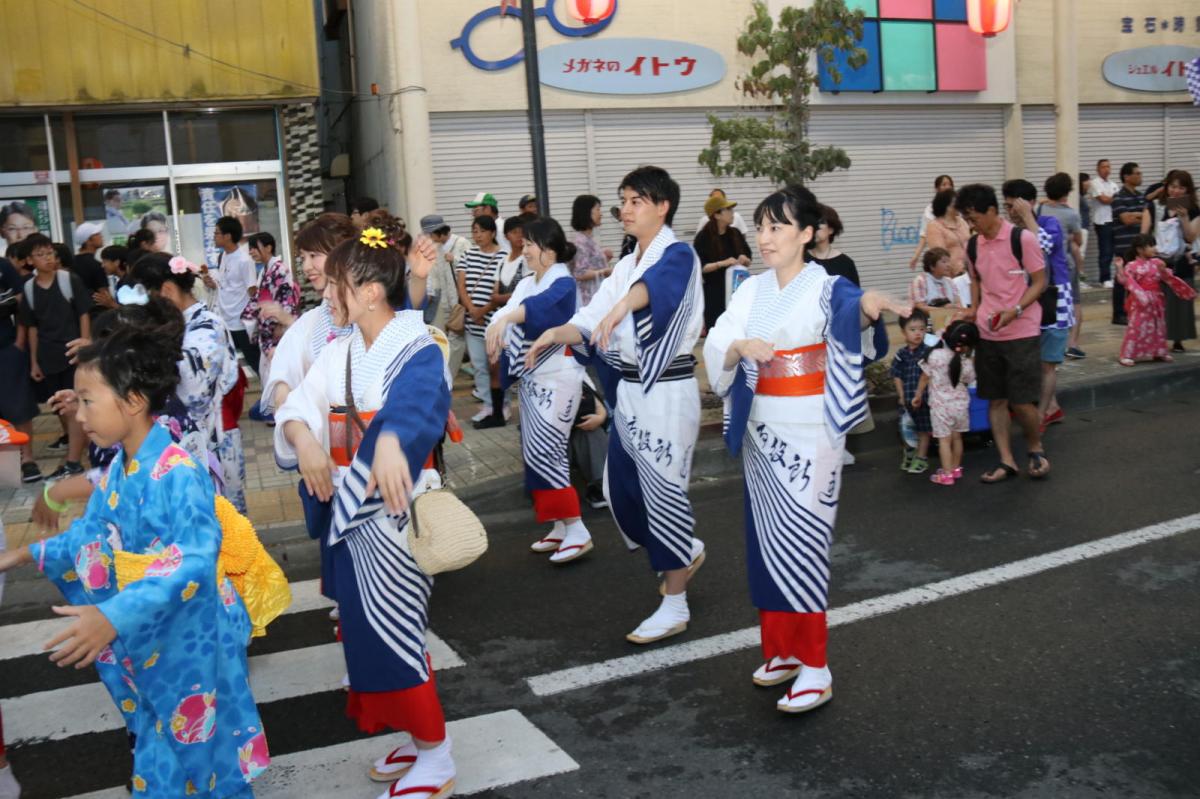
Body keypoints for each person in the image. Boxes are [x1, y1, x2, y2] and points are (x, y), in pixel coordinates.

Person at [0, 323, 269, 798]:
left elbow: (191, 560)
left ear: (133, 401)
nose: (78, 416)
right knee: (176, 757)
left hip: (190, 641)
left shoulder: (177, 472)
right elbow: (92, 539)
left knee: (195, 759)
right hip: (157, 634)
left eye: (88, 400)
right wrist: (24, 553)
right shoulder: (123, 468)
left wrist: (113, 614)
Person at [275, 217, 455, 799]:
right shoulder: (343, 351)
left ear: (372, 290)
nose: (328, 295)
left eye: (336, 285)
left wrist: (392, 445)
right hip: (353, 511)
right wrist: (304, 442)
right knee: (364, 631)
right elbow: (297, 408)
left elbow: (415, 405)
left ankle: (437, 754)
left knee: (395, 631)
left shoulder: (417, 345)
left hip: (395, 511)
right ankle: (413, 731)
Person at [703, 185, 897, 714]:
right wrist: (740, 346)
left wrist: (869, 307)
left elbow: (851, 310)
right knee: (765, 539)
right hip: (761, 429)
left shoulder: (825, 285)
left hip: (810, 430)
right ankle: (782, 650)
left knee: (803, 542)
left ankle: (816, 665)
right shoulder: (749, 289)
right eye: (761, 228)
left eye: (778, 228)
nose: (765, 239)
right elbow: (719, 339)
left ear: (808, 234)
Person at [526, 166, 706, 645]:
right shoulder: (626, 265)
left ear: (662, 206)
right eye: (622, 200)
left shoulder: (678, 254)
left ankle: (674, 603)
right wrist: (551, 333)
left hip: (667, 390)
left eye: (635, 200)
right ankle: (682, 549)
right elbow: (588, 321)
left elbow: (659, 289)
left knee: (663, 492)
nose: (625, 209)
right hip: (630, 392)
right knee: (623, 490)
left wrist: (626, 305)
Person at [486, 216, 594, 563]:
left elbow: (540, 308)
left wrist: (505, 320)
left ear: (548, 249)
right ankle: (561, 523)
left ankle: (577, 527)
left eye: (530, 244)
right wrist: (497, 324)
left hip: (559, 376)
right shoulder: (530, 280)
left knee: (548, 450)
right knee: (537, 452)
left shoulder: (562, 281)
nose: (525, 250)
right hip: (534, 378)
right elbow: (507, 310)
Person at [132, 253, 245, 510]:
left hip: (210, 444)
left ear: (167, 290)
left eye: (143, 297)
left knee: (221, 529)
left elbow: (193, 389)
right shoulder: (182, 325)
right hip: (187, 447)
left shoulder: (207, 325)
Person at [955, 184, 1049, 482]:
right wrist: (973, 309)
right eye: (967, 220)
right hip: (988, 332)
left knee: (1021, 401)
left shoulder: (1022, 240)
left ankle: (1035, 448)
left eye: (974, 218)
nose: (971, 225)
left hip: (1022, 330)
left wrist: (1016, 310)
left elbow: (1040, 282)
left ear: (992, 211)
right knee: (995, 399)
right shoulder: (972, 245)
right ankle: (1007, 461)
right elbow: (975, 280)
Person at [262, 213, 360, 415]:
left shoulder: (370, 314)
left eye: (314, 255)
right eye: (302, 258)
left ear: (342, 252)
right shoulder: (313, 320)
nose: (306, 267)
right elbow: (283, 382)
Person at [1003, 179, 1073, 434]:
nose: (1010, 211)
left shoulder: (1048, 222)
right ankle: (1049, 406)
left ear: (1029, 203)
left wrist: (1028, 217)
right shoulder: (1009, 229)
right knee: (1026, 358)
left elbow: (1042, 245)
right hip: (1026, 300)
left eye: (1014, 205)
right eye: (1007, 206)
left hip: (1055, 298)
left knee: (1048, 363)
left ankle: (1041, 416)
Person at [19, 234, 91, 480]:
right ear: (29, 260)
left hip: (72, 352)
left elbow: (83, 314)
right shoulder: (28, 289)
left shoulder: (69, 280)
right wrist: (34, 361)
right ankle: (76, 451)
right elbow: (32, 327)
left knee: (73, 407)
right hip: (47, 355)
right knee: (60, 407)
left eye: (50, 253)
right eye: (41, 254)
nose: (48, 258)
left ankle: (73, 461)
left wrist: (84, 346)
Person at [1115, 235, 1197, 366]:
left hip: (1156, 299)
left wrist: (1164, 270)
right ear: (1140, 249)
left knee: (1159, 326)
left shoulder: (1157, 263)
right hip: (1140, 300)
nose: (1154, 248)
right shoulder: (1131, 265)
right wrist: (1119, 268)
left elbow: (1167, 277)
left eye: (1154, 245)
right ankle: (1127, 354)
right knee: (1136, 326)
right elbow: (1126, 281)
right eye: (1151, 245)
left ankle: (1159, 351)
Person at [1141, 170, 1199, 352]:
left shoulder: (1194, 209)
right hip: (1157, 261)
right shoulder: (1155, 206)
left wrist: (1183, 218)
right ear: (1167, 187)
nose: (1176, 191)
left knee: (1179, 301)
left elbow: (1191, 237)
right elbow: (1144, 233)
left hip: (1181, 261)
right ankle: (1154, 339)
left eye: (1181, 187)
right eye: (1173, 186)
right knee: (1155, 301)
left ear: (1187, 190)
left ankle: (1178, 339)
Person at [456, 216, 506, 423]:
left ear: (492, 233)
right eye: (474, 231)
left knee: (497, 366)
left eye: (482, 231)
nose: (477, 236)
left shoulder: (504, 256)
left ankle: (501, 405)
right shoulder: (468, 254)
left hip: (494, 322)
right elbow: (462, 286)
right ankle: (488, 405)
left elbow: (503, 290)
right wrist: (472, 310)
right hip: (472, 322)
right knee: (479, 366)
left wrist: (483, 310)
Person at [918, 320, 979, 485]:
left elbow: (925, 376)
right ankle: (955, 468)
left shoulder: (935, 356)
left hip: (940, 406)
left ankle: (946, 475)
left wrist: (918, 395)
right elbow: (969, 379)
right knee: (957, 438)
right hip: (960, 405)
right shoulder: (966, 362)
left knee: (944, 441)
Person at [201, 216, 260, 376]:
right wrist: (211, 284)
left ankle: (271, 394)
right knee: (226, 362)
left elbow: (252, 291)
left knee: (254, 360)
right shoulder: (223, 256)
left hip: (241, 322)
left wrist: (255, 320)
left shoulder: (244, 260)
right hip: (225, 320)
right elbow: (226, 284)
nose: (214, 236)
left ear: (228, 236)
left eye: (217, 233)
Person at [0, 252, 40, 484]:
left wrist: (19, 342)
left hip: (6, 348)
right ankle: (7, 467)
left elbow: (21, 303)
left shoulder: (4, 266)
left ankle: (27, 459)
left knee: (18, 406)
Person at [241, 231, 301, 383]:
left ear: (268, 248)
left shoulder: (279, 269)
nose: (251, 251)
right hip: (268, 327)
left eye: (255, 247)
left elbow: (287, 300)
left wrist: (282, 324)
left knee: (279, 376)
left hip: (278, 329)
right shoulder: (265, 270)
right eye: (250, 248)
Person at [423, 215, 472, 378]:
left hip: (464, 301)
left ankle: (446, 377)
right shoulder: (436, 248)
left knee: (456, 340)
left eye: (431, 235)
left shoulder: (462, 243)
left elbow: (473, 267)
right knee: (453, 339)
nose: (429, 238)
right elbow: (434, 275)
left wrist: (455, 260)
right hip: (446, 303)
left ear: (440, 233)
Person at [694, 193, 752, 329]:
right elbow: (701, 267)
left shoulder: (735, 234)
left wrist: (745, 259)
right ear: (717, 215)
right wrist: (722, 263)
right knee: (717, 331)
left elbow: (748, 259)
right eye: (728, 210)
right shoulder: (703, 237)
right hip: (714, 294)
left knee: (738, 330)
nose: (733, 213)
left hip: (737, 292)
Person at [891, 310, 933, 474]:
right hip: (906, 400)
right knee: (906, 428)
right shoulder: (901, 354)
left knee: (923, 430)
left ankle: (921, 458)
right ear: (903, 332)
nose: (918, 333)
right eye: (913, 329)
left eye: (922, 329)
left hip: (924, 399)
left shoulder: (928, 351)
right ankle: (909, 452)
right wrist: (901, 395)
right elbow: (897, 375)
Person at [1110, 162, 1146, 326]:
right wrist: (1140, 215)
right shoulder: (1118, 197)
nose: (1140, 176)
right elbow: (1126, 219)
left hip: (1139, 246)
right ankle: (1118, 314)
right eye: (1137, 173)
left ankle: (1133, 310)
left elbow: (1148, 216)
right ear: (1126, 176)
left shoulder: (1140, 196)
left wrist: (1137, 215)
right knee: (1121, 281)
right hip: (1124, 246)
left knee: (1138, 280)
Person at [570, 378, 609, 510]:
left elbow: (601, 411)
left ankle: (599, 486)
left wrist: (600, 417)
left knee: (592, 430)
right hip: (556, 437)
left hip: (580, 433)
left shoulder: (577, 374)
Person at [569, 194, 613, 308]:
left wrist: (603, 256)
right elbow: (579, 273)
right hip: (588, 301)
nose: (601, 213)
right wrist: (604, 272)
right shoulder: (580, 242)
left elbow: (588, 262)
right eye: (597, 209)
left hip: (595, 297)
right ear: (587, 212)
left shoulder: (588, 239)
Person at [908, 175, 955, 269]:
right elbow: (924, 235)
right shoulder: (930, 210)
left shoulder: (957, 208)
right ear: (937, 189)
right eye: (944, 184)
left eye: (949, 184)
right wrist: (916, 256)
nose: (947, 187)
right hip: (940, 258)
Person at [808, 205, 859, 285]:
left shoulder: (845, 263)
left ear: (831, 230)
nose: (815, 228)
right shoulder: (800, 258)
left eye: (821, 223)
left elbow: (853, 295)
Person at [923, 189, 971, 275]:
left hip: (969, 272)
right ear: (946, 205)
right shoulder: (934, 226)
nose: (959, 205)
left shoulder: (962, 221)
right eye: (956, 203)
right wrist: (958, 270)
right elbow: (940, 256)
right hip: (952, 277)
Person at [1089, 159, 1119, 287]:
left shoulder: (1113, 184)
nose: (1106, 169)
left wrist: (1111, 198)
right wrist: (1113, 198)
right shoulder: (1094, 183)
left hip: (1114, 220)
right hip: (1102, 221)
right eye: (1103, 167)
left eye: (1108, 167)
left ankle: (1113, 277)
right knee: (1105, 250)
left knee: (1113, 250)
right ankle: (1104, 278)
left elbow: (1116, 199)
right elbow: (1103, 200)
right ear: (1098, 169)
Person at [71, 221, 110, 319]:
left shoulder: (71, 262)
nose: (101, 236)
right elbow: (105, 296)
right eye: (97, 234)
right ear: (89, 241)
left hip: (77, 315)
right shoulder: (96, 265)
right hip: (97, 315)